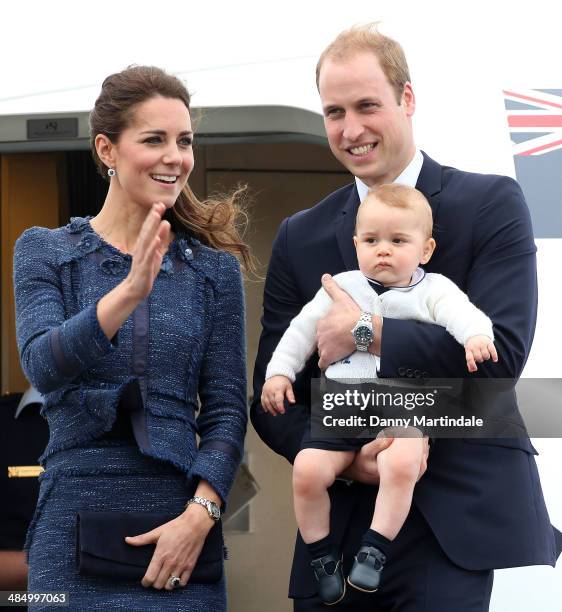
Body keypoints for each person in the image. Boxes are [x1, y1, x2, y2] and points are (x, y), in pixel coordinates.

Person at [251, 24, 562, 611]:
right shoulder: (303, 235)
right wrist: (347, 462)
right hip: (335, 535)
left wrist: (367, 334)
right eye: (334, 112)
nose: (351, 129)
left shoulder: (489, 203)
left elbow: (500, 363)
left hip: (449, 529)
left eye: (367, 105)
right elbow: (275, 395)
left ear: (407, 99)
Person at [13, 66, 250, 611]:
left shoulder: (213, 273)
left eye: (184, 141)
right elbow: (42, 365)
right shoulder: (44, 251)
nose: (175, 156)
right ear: (107, 149)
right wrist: (128, 291)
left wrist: (201, 517)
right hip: (69, 528)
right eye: (154, 139)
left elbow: (226, 412)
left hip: (182, 528)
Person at [261, 184, 497, 604]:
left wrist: (476, 336)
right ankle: (322, 555)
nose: (383, 250)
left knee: (404, 460)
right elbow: (300, 332)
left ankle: (375, 549)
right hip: (342, 409)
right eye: (371, 241)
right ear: (356, 244)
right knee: (308, 471)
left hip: (401, 407)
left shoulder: (434, 289)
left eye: (397, 241)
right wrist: (279, 374)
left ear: (425, 250)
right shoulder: (341, 286)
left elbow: (463, 315)